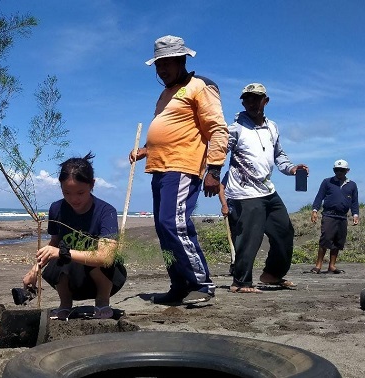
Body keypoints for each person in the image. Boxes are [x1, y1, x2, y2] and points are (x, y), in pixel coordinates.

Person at [128, 35, 228, 305]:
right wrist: (145, 150)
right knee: (163, 227)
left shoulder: (200, 86)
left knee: (175, 224)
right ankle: (180, 285)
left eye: (168, 63)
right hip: (160, 168)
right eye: (159, 64)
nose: (162, 70)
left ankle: (201, 283)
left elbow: (218, 130)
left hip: (182, 167)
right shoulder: (164, 95)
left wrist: (214, 171)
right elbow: (170, 130)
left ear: (182, 60)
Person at [224, 83, 308, 293]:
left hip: (267, 189)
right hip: (244, 191)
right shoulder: (235, 129)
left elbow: (279, 155)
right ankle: (241, 282)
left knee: (284, 232)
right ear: (243, 102)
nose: (252, 103)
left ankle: (272, 274)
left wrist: (292, 169)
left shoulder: (273, 127)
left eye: (256, 98)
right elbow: (217, 152)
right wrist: (212, 176)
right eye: (247, 99)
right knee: (250, 237)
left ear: (265, 101)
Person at [22, 152, 127, 320]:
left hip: (104, 277)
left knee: (84, 256)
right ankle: (65, 304)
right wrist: (34, 270)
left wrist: (64, 253)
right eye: (67, 193)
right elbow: (54, 243)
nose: (73, 199)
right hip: (71, 278)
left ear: (92, 185)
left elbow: (106, 257)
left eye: (80, 193)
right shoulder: (57, 209)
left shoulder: (106, 212)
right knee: (59, 256)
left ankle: (102, 302)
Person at [310, 159, 359, 274]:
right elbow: (319, 196)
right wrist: (314, 210)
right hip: (329, 215)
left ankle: (332, 266)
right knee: (325, 238)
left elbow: (354, 202)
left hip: (342, 217)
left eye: (341, 170)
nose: (339, 172)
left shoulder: (352, 185)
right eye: (336, 170)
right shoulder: (327, 182)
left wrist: (355, 214)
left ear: (347, 171)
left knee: (338, 241)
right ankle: (318, 265)